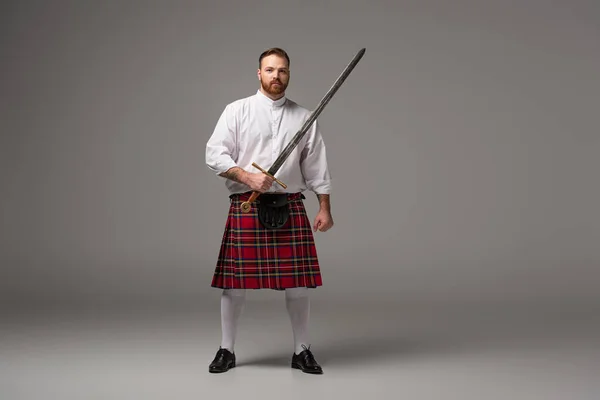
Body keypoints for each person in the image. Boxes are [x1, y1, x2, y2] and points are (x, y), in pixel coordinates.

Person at [205, 47, 333, 374]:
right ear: (259, 73)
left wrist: (324, 207)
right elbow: (214, 154)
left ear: (289, 74)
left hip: (289, 203)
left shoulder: (304, 117)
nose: (277, 76)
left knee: (299, 285)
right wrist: (246, 175)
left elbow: (316, 165)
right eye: (270, 70)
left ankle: (301, 350)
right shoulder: (237, 111)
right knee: (233, 285)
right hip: (247, 203)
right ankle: (226, 350)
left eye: (283, 71)